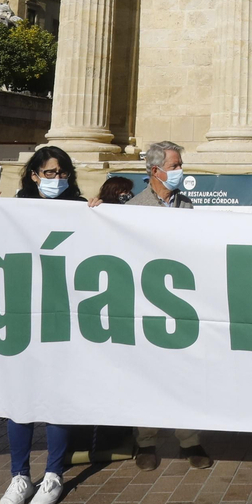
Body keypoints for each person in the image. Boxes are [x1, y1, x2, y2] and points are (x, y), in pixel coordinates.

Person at [86, 141, 210, 469]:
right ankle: (146, 442)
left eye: (180, 164)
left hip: (181, 304)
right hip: (146, 304)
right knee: (147, 374)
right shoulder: (134, 208)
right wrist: (95, 214)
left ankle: (189, 440)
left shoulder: (186, 205)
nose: (180, 171)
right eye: (176, 165)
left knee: (183, 374)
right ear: (156, 171)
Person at [0, 147, 86, 504]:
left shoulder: (81, 208)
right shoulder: (11, 209)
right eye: (50, 173)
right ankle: (19, 476)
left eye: (63, 173)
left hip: (62, 316)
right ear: (35, 175)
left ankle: (54, 473)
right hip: (22, 315)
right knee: (19, 398)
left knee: (56, 397)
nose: (58, 179)